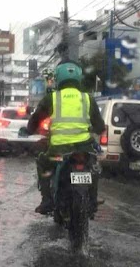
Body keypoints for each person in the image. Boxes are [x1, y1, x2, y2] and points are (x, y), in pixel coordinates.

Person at [26, 61, 105, 215]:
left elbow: (35, 119)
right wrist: (93, 129)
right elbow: (100, 127)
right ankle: (93, 199)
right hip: (84, 148)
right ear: (78, 77)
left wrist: (29, 129)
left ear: (58, 78)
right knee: (93, 167)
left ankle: (47, 201)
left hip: (58, 151)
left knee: (43, 163)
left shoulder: (52, 98)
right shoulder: (87, 98)